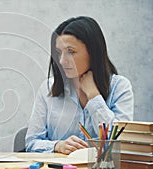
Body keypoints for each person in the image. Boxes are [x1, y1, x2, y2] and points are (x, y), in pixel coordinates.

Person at [25, 16, 134, 154]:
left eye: (70, 52)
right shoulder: (48, 88)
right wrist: (58, 146)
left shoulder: (120, 87)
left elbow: (121, 142)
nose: (62, 61)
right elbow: (31, 142)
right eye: (59, 53)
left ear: (93, 52)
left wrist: (94, 96)